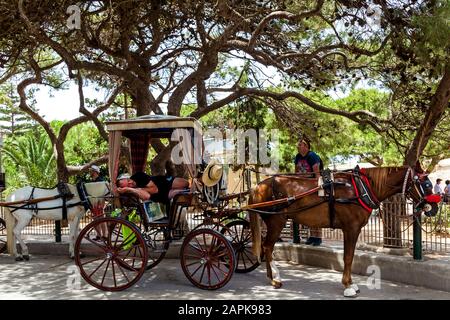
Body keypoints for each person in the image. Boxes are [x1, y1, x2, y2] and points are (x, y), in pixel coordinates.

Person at [294, 138, 323, 246]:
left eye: (300, 144)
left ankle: (318, 237)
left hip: (312, 184)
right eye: (298, 145)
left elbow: (317, 173)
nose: (298, 146)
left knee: (316, 210)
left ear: (306, 146)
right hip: (302, 184)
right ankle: (312, 236)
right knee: (309, 212)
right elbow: (296, 171)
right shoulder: (297, 157)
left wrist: (317, 187)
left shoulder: (312, 156)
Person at [116, 171, 190, 204]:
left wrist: (140, 189)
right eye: (128, 185)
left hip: (164, 182)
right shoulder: (132, 190)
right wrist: (130, 189)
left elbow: (154, 189)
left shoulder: (138, 175)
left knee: (186, 183)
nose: (131, 182)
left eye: (129, 180)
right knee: (184, 193)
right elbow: (147, 196)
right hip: (163, 195)